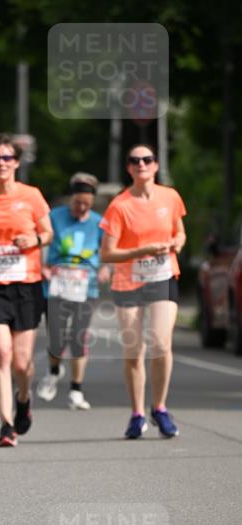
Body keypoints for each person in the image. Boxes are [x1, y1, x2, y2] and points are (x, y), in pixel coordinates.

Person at [101, 144, 186, 439]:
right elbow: (107, 254)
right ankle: (137, 413)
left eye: (147, 159)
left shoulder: (170, 196)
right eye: (135, 160)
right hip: (128, 282)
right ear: (129, 167)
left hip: (163, 276)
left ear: (156, 165)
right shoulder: (120, 205)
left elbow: (180, 231)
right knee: (134, 351)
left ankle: (159, 407)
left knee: (161, 343)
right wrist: (144, 250)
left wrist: (177, 243)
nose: (141, 164)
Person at [0, 133, 53, 446]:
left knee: (22, 363)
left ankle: (24, 398)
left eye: (8, 158)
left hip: (27, 285)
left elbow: (48, 233)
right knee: (0, 354)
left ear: (17, 162)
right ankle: (6, 425)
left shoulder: (31, 195)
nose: (2, 163)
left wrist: (33, 240)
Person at [37, 172, 110, 409]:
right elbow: (42, 243)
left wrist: (105, 269)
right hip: (57, 285)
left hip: (85, 287)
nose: (80, 208)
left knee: (79, 338)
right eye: (77, 202)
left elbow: (108, 251)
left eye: (86, 204)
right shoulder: (54, 217)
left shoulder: (99, 223)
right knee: (57, 338)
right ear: (71, 199)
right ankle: (54, 368)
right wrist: (43, 267)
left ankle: (76, 390)